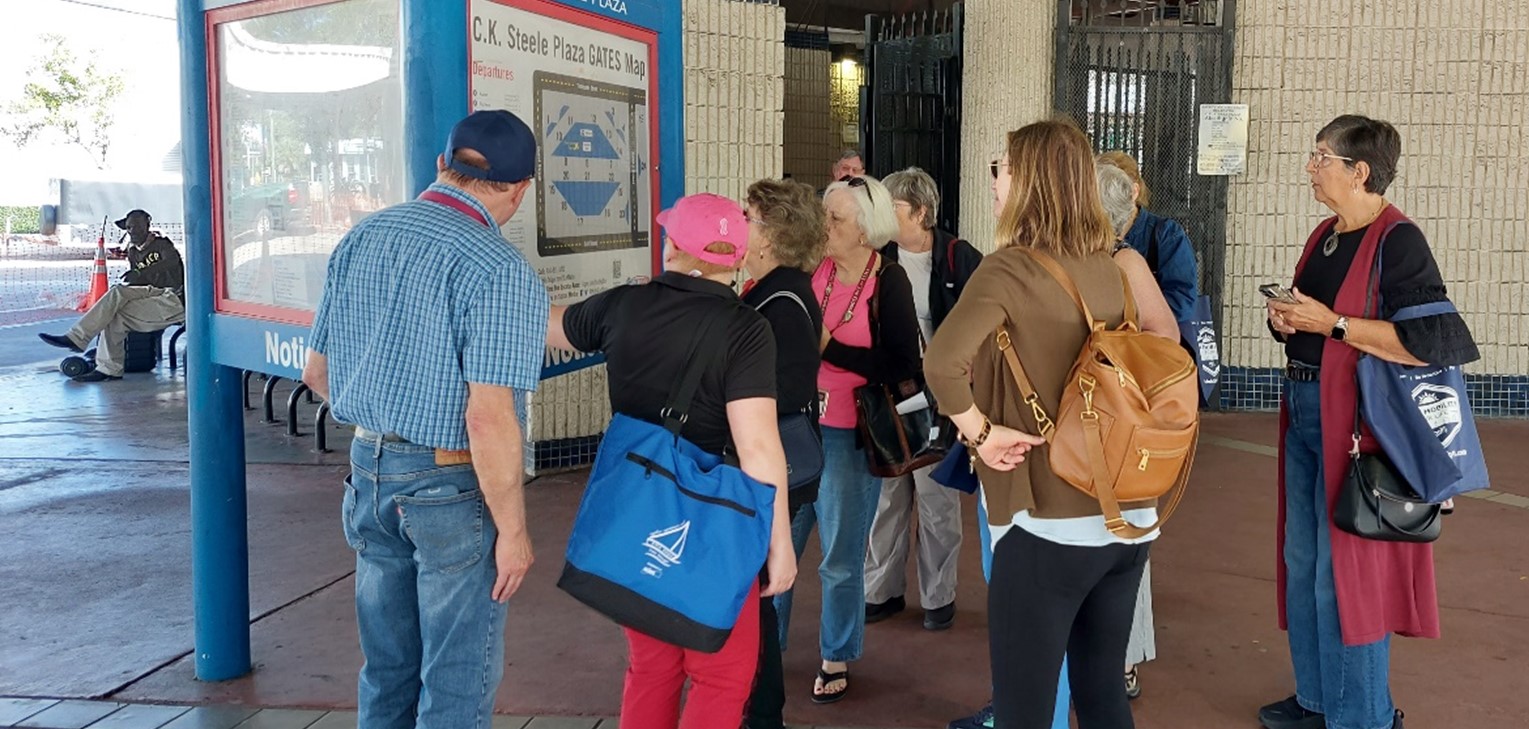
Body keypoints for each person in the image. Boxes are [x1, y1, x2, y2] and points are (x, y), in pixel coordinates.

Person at [300, 110, 549, 729]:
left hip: (367, 471)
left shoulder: (366, 234)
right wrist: (513, 534)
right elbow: (489, 419)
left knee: (386, 669)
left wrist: (381, 425)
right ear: (521, 190)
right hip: (447, 486)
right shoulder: (500, 270)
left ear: (442, 165)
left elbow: (316, 373)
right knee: (457, 677)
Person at [924, 120, 1159, 729]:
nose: (994, 181)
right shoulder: (1116, 266)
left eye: (1000, 167)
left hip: (1047, 519)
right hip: (1127, 515)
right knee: (1102, 689)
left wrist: (979, 432)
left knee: (1025, 708)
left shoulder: (1010, 269)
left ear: (1027, 181)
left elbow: (941, 364)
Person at [547, 193, 797, 729]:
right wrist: (780, 546)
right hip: (713, 525)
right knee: (722, 676)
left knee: (652, 667)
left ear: (673, 246)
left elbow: (548, 329)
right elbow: (758, 448)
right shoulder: (746, 329)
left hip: (638, 510)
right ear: (735, 257)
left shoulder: (622, 306)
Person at [1260, 115, 1476, 729]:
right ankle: (1318, 699)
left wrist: (1331, 324)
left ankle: (1364, 716)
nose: (1310, 166)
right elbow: (1318, 320)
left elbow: (1431, 342)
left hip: (1356, 430)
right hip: (1306, 410)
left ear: (1360, 171)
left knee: (1345, 574)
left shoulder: (1398, 240)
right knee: (1302, 561)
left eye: (1320, 156)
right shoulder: (1325, 234)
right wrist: (1289, 322)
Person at [774, 174, 919, 704]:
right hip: (796, 427)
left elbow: (903, 365)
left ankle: (835, 652)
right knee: (778, 542)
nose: (824, 227)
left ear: (866, 230)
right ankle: (768, 644)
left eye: (835, 219)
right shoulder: (816, 269)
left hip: (848, 436)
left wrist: (830, 348)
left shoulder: (890, 281)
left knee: (838, 556)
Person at [863, 166, 983, 631]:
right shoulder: (877, 259)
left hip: (939, 398)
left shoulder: (958, 257)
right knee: (888, 495)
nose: (886, 216)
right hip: (889, 396)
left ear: (921, 212)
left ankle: (938, 597)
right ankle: (881, 591)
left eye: (894, 207)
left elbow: (983, 322)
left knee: (937, 502)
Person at [738, 178, 828, 729]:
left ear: (770, 235)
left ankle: (763, 711)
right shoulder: (779, 289)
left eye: (748, 218)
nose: (740, 229)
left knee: (754, 599)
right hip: (774, 462)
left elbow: (781, 392)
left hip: (768, 464)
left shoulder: (781, 301)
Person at [1096, 160, 1182, 700]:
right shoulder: (1072, 258)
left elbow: (1166, 337)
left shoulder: (1126, 261)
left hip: (1120, 422)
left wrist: (1114, 365)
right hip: (1084, 426)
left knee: (1126, 537)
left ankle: (1124, 657)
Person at [38, 209, 185, 382]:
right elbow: (139, 282)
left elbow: (172, 263)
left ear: (147, 225)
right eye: (129, 228)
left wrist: (140, 272)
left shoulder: (162, 244)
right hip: (152, 296)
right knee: (113, 313)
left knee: (116, 294)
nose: (133, 231)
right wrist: (135, 278)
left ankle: (77, 339)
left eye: (137, 227)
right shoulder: (133, 252)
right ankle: (108, 369)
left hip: (174, 298)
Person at [1097, 150, 1199, 322]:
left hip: (1149, 339)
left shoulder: (1167, 235)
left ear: (1134, 191)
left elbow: (1182, 302)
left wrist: (1131, 319)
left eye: (1113, 189)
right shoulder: (1089, 234)